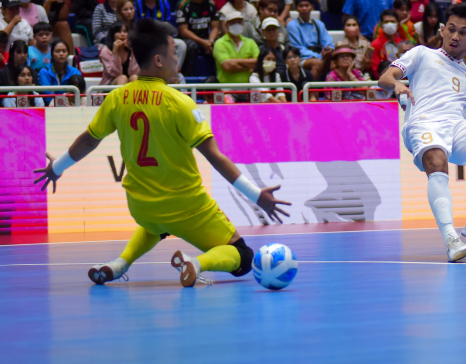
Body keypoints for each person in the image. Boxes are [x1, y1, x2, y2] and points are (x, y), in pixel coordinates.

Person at [33, 18, 290, 285]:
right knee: (243, 256)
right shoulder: (180, 102)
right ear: (158, 60)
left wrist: (56, 168)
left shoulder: (117, 98)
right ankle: (197, 263)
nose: (177, 61)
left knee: (156, 225)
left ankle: (119, 264)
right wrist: (256, 194)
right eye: (173, 55)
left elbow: (88, 140)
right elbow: (216, 157)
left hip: (142, 206)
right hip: (186, 206)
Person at [379, 2, 466, 261]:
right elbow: (385, 77)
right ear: (442, 30)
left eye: (463, 32)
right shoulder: (421, 54)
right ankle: (451, 238)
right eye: (451, 29)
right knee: (437, 160)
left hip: (455, 127)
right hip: (424, 122)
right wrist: (398, 86)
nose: (455, 36)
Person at [177, 0, 220, 76]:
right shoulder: (183, 4)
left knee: (219, 44)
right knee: (192, 46)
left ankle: (215, 80)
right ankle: (189, 80)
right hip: (190, 39)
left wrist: (210, 41)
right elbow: (184, 31)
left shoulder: (211, 5)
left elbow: (215, 28)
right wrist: (202, 42)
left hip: (206, 39)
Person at [287, 0, 334, 79]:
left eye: (307, 5)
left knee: (335, 64)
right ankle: (311, 92)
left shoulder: (319, 24)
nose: (304, 8)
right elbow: (298, 48)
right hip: (301, 58)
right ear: (296, 8)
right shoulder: (292, 25)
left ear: (312, 7)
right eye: (301, 6)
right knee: (317, 63)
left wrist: (328, 49)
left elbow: (328, 41)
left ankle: (329, 91)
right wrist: (319, 56)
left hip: (320, 54)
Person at [213, 10, 260, 87]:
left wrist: (234, 60)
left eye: (239, 22)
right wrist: (249, 65)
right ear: (226, 25)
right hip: (226, 88)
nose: (236, 24)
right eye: (233, 22)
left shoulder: (250, 42)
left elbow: (258, 63)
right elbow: (228, 67)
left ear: (243, 24)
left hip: (248, 87)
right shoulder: (219, 43)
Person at [37, 39, 82, 104]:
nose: (61, 54)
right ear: (52, 54)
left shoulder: (75, 72)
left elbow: (78, 94)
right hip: (50, 107)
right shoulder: (44, 72)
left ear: (68, 54)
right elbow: (47, 97)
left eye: (64, 51)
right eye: (57, 51)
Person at [99, 22, 139, 86]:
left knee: (135, 77)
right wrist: (115, 53)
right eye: (118, 32)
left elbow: (134, 72)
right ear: (113, 35)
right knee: (122, 78)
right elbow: (116, 74)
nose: (122, 34)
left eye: (125, 31)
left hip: (129, 84)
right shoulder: (106, 51)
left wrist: (133, 51)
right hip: (110, 85)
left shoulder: (133, 49)